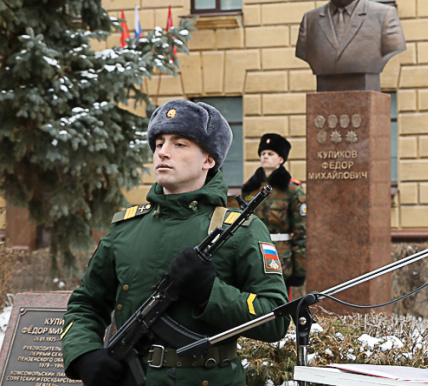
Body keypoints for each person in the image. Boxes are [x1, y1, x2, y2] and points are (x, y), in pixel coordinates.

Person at [61, 100, 290, 386]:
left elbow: (277, 319)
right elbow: (86, 304)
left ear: (209, 160)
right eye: (158, 143)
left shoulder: (242, 230)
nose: (163, 153)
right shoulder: (126, 229)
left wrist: (210, 293)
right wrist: (84, 354)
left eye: (179, 144)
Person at [241, 133, 307, 297]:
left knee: (281, 302)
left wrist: (299, 270)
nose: (265, 157)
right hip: (254, 253)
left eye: (270, 154)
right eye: (263, 154)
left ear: (281, 160)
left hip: (281, 257)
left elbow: (301, 232)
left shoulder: (293, 190)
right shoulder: (250, 188)